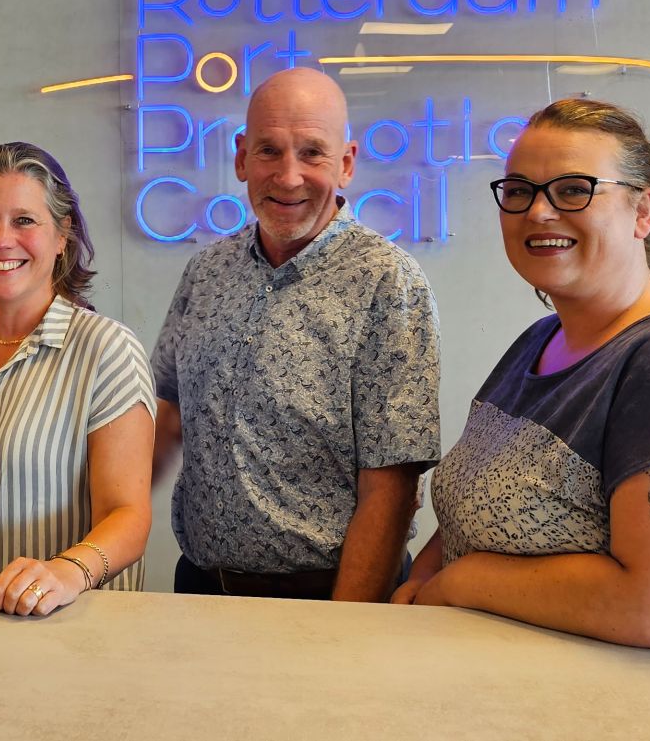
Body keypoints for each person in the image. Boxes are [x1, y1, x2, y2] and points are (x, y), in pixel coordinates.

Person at [391, 98, 650, 650]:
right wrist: (423, 582)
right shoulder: (538, 341)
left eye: (574, 189)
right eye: (519, 190)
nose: (538, 212)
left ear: (643, 212)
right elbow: (469, 519)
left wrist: (462, 583)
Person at [151, 67, 440, 602]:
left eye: (312, 153)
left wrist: (344, 631)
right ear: (240, 157)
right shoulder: (206, 271)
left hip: (325, 597)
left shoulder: (386, 281)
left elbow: (393, 485)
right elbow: (168, 414)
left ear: (346, 163)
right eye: (269, 151)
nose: (288, 177)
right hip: (199, 589)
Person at [0, 143, 154, 616]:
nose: (2, 239)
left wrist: (64, 572)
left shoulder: (106, 350)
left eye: (24, 220)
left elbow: (128, 516)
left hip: (69, 627)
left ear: (63, 236)